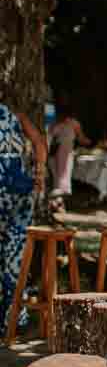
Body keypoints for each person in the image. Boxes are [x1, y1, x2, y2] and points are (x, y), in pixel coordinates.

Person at [0, 99, 47, 333]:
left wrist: (39, 172)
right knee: (14, 257)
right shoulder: (17, 116)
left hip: (11, 191)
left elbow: (39, 142)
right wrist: (39, 172)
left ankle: (11, 319)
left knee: (13, 257)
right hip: (20, 189)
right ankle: (14, 319)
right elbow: (39, 142)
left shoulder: (16, 116)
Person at [47, 105, 90, 199]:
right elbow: (50, 136)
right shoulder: (56, 124)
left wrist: (87, 142)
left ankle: (62, 190)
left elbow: (81, 138)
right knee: (58, 170)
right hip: (57, 150)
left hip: (65, 150)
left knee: (63, 169)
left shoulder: (73, 123)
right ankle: (59, 194)